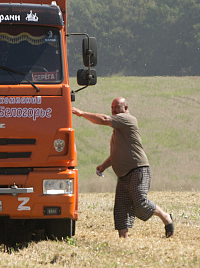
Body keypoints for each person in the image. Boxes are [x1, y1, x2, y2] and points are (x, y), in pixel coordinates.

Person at [72, 97, 174, 238]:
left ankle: (166, 217)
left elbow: (103, 119)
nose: (114, 110)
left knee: (140, 203)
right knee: (121, 209)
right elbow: (117, 153)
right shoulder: (118, 130)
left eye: (117, 107)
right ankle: (123, 241)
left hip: (137, 170)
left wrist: (81, 113)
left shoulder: (128, 119)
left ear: (126, 109)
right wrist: (104, 165)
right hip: (123, 175)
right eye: (112, 107)